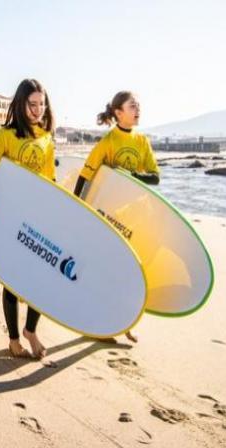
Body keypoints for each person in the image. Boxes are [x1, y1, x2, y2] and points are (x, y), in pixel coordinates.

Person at [0, 79, 55, 359]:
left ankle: (31, 330)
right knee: (12, 279)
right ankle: (14, 339)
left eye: (41, 104)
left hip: (39, 218)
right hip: (10, 218)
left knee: (42, 279)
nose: (38, 110)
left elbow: (50, 182)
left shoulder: (46, 137)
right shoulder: (6, 135)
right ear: (21, 105)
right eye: (32, 104)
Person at [73, 90, 160, 343]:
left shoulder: (142, 141)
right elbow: (85, 174)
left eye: (138, 105)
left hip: (138, 217)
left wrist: (132, 176)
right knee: (107, 270)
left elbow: (155, 177)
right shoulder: (108, 142)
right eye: (132, 106)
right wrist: (76, 207)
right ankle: (99, 323)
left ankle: (125, 322)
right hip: (111, 217)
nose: (137, 109)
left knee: (132, 273)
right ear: (118, 112)